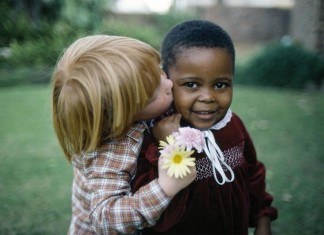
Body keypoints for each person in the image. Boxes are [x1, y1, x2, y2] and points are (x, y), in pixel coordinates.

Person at [131, 20, 278, 235]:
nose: (208, 97)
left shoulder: (234, 125)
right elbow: (154, 214)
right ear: (167, 81)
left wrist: (263, 218)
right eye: (191, 84)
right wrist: (169, 147)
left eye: (220, 85)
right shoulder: (156, 134)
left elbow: (253, 174)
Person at [51, 35, 196, 235]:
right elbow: (105, 218)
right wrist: (165, 187)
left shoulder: (142, 113)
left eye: (159, 71)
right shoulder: (108, 151)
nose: (169, 84)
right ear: (121, 116)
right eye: (153, 94)